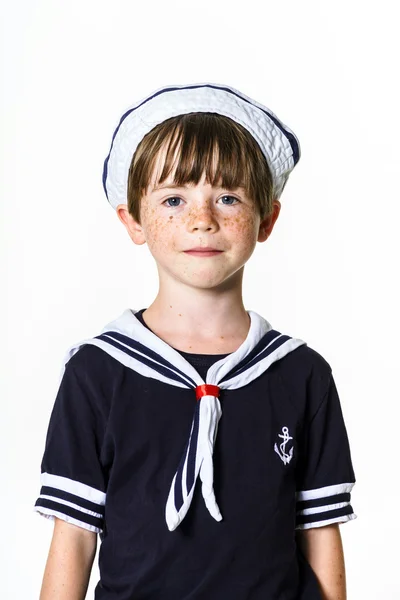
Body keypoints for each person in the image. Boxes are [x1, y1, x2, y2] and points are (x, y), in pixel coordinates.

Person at [34, 83, 357, 600]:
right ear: (133, 220)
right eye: (174, 198)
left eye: (228, 197)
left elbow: (319, 530)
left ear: (267, 219)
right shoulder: (96, 371)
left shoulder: (301, 373)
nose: (202, 218)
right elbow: (73, 537)